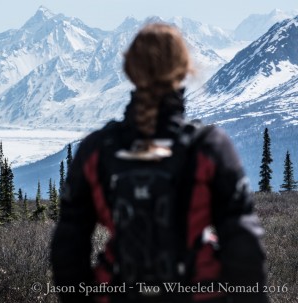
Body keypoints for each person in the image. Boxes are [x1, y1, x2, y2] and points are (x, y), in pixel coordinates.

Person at [50, 23, 268, 303]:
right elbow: (243, 242)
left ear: (130, 70)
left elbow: (69, 244)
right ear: (184, 70)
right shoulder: (208, 146)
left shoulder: (97, 149)